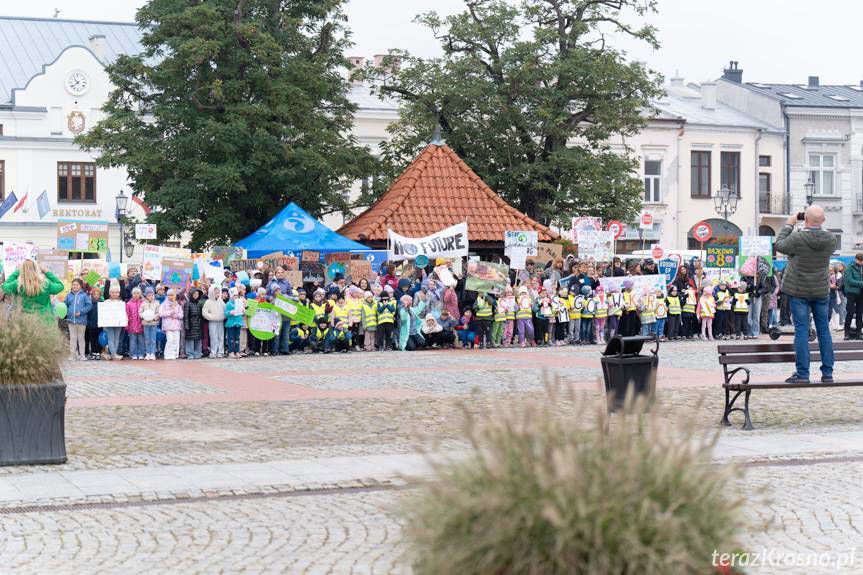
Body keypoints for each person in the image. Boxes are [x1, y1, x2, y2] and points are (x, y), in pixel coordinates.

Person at [774, 205, 837, 383]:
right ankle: (827, 373)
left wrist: (789, 224)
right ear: (823, 220)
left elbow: (779, 245)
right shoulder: (831, 239)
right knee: (824, 330)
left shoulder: (797, 237)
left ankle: (802, 374)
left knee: (801, 331)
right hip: (820, 291)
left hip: (798, 291)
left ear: (805, 219)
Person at [64, 278, 92, 360]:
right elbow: (65, 305)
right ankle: (72, 355)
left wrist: (81, 312)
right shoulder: (69, 295)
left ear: (80, 286)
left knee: (81, 338)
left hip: (81, 320)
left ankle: (82, 355)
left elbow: (89, 305)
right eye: (73, 285)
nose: (75, 286)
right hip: (71, 320)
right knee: (72, 338)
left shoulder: (84, 295)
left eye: (77, 285)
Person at [202, 285, 226, 358]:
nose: (217, 294)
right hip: (212, 322)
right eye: (216, 293)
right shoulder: (208, 302)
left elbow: (225, 311)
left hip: (220, 321)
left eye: (218, 293)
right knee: (213, 336)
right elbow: (204, 312)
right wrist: (212, 317)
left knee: (221, 337)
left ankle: (221, 352)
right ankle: (213, 352)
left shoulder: (221, 301)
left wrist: (222, 316)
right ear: (212, 293)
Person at [843, 254, 863, 340]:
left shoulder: (862, 267)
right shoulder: (849, 267)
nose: (861, 262)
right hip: (851, 293)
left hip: (861, 293)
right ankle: (846, 333)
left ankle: (858, 333)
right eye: (860, 261)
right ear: (856, 259)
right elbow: (849, 280)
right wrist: (861, 283)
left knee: (859, 313)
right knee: (850, 312)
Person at [184, 287, 205, 359]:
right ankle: (190, 353)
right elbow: (186, 316)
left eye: (197, 294)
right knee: (190, 340)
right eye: (195, 294)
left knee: (198, 339)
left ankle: (197, 353)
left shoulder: (199, 303)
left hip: (198, 324)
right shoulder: (187, 303)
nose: (196, 295)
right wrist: (186, 325)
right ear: (191, 294)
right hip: (191, 324)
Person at [140, 288, 160, 360]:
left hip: (153, 323)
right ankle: (148, 353)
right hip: (146, 323)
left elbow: (158, 312)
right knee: (147, 339)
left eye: (152, 295)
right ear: (146, 296)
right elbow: (140, 312)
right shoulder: (143, 304)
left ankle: (153, 353)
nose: (151, 296)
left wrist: (154, 318)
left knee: (153, 339)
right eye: (149, 295)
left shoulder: (156, 303)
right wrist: (143, 317)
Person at [125, 287, 145, 360]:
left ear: (140, 294)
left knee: (141, 341)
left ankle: (141, 353)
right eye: (134, 293)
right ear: (132, 294)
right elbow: (127, 314)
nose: (136, 294)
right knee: (132, 341)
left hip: (141, 325)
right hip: (132, 325)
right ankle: (133, 353)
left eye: (137, 293)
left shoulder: (143, 303)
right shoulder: (128, 303)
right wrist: (127, 324)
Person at [85, 286, 103, 359]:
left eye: (97, 294)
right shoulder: (89, 303)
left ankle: (98, 352)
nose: (96, 295)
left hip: (99, 324)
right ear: (92, 295)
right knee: (92, 339)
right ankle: (93, 352)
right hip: (90, 324)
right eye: (94, 294)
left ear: (100, 295)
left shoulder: (102, 303)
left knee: (98, 339)